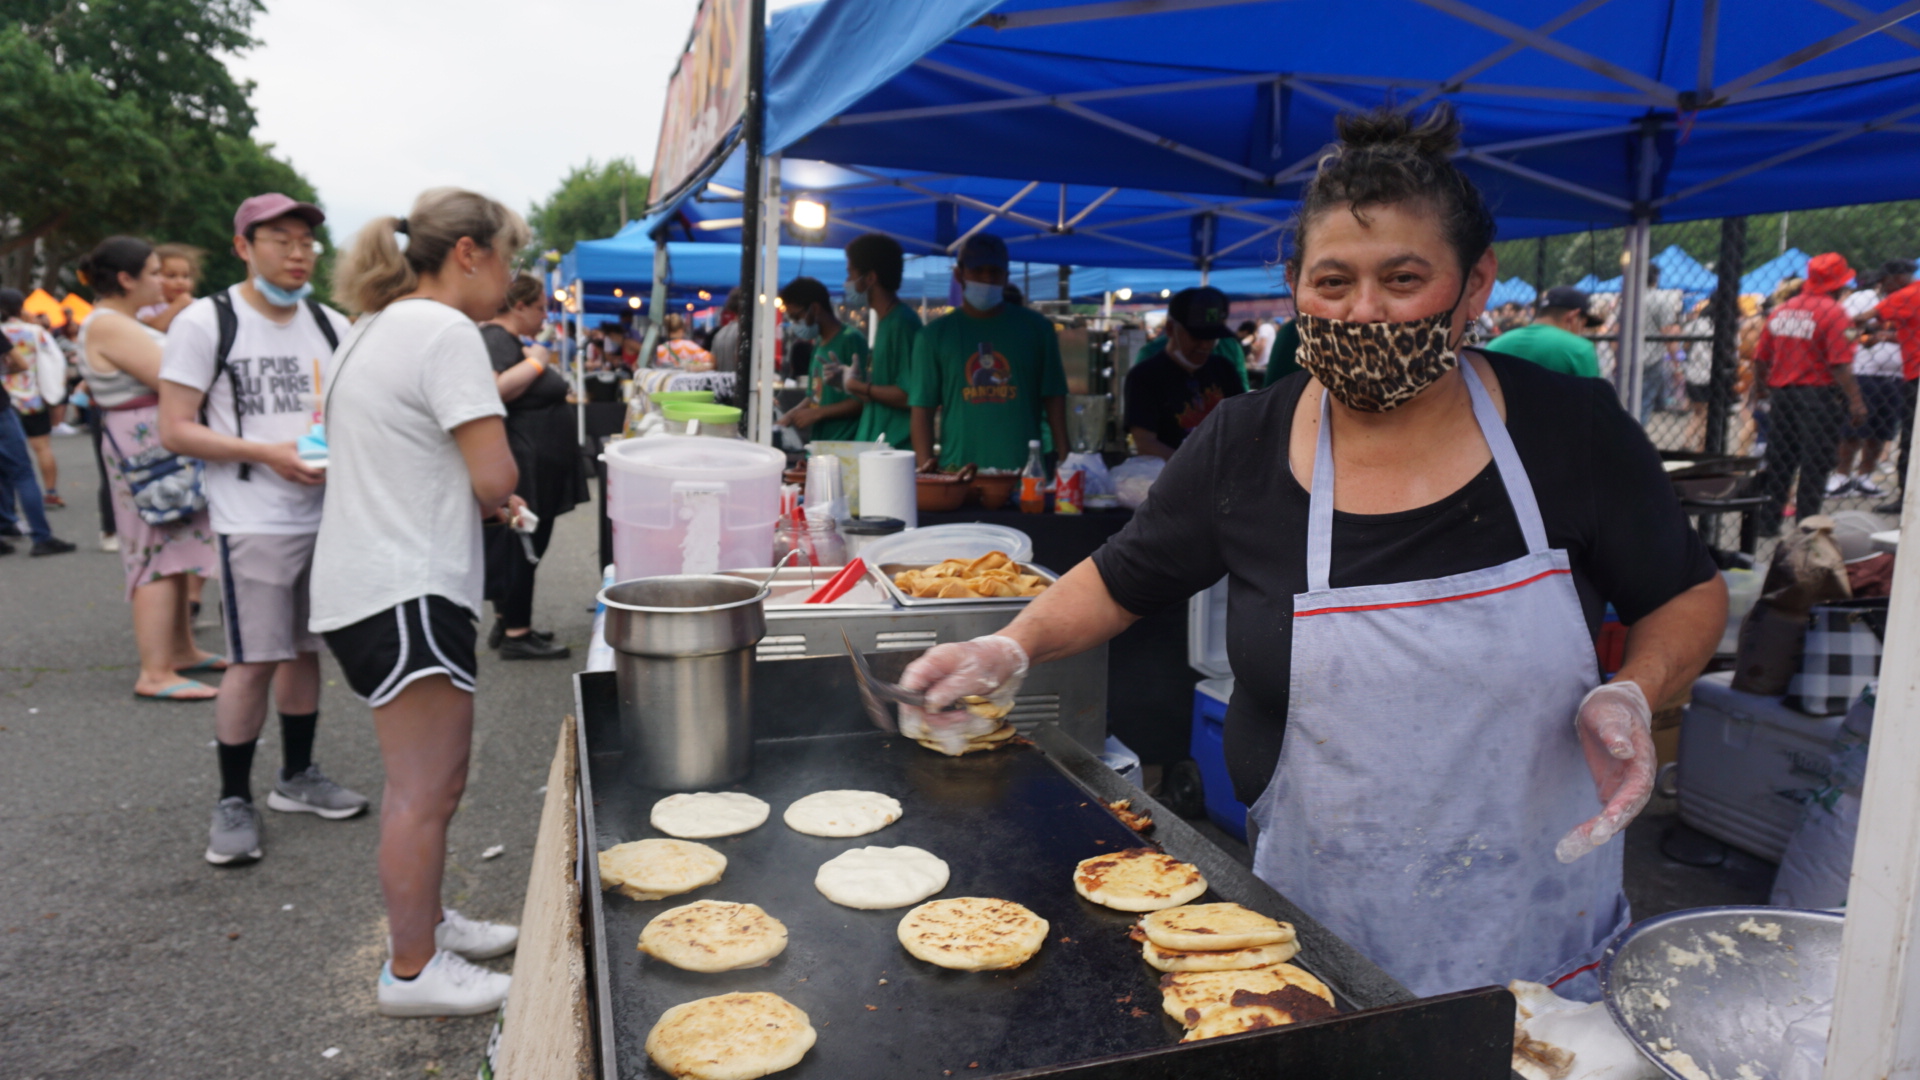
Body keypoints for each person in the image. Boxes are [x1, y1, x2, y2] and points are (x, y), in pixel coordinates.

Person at [897, 106, 1723, 1001]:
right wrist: (1007, 645)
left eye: (1403, 279)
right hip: (1307, 942)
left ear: (1476, 282)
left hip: (1536, 934)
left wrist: (1637, 691)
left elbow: (1684, 593)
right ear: (1295, 284)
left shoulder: (1571, 432)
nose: (1364, 312)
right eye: (1333, 283)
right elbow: (1125, 574)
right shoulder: (1245, 444)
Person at [311, 187, 525, 1017]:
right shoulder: (443, 329)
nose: (511, 276)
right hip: (405, 585)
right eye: (508, 255)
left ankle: (429, 923)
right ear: (469, 251)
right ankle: (410, 971)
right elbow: (494, 475)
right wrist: (498, 496)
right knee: (422, 790)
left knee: (432, 782)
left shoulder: (376, 326)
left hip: (372, 583)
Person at [158, 192, 370, 865]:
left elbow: (349, 411)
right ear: (243, 246)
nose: (297, 250)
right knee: (254, 659)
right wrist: (270, 455)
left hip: (325, 515)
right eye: (279, 238)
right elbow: (176, 427)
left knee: (305, 650)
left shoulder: (331, 323)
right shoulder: (204, 322)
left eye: (305, 239)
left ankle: (296, 778)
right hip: (253, 519)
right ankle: (232, 798)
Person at [76, 236, 220, 697]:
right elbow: (174, 375)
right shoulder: (108, 324)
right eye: (156, 272)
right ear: (126, 279)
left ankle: (180, 652)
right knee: (155, 551)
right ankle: (155, 671)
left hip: (152, 443)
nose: (164, 280)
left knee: (173, 548)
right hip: (143, 447)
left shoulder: (120, 320)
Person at [481, 272, 587, 661]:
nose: (546, 315)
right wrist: (539, 363)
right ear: (519, 306)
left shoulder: (507, 342)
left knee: (525, 544)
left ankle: (511, 619)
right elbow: (493, 390)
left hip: (536, 459)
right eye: (541, 307)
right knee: (525, 545)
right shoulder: (495, 338)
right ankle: (515, 631)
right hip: (527, 460)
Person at [910, 234, 1069, 471]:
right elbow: (922, 409)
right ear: (959, 274)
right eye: (978, 270)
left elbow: (1054, 399)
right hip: (958, 475)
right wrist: (926, 470)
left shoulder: (1038, 330)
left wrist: (1067, 461)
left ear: (1006, 277)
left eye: (994, 272)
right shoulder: (933, 336)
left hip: (1025, 476)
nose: (987, 278)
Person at [1752, 253, 1870, 536]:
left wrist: (1761, 388)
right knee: (1815, 461)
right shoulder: (1834, 312)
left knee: (1781, 459)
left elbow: (1760, 357)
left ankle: (1768, 524)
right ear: (1838, 283)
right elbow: (1840, 364)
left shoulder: (1783, 309)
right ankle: (1808, 527)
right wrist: (1856, 401)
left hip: (1782, 395)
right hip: (1818, 397)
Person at [1124, 286, 1246, 460]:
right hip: (1170, 480)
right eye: (1196, 337)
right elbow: (1145, 443)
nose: (1205, 345)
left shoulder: (1224, 369)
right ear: (1170, 329)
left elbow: (1244, 426)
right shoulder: (1144, 376)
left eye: (1211, 337)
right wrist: (1192, 469)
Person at [842, 233, 921, 450]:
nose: (847, 282)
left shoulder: (902, 324)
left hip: (894, 449)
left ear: (870, 278)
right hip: (877, 446)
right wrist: (849, 384)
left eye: (850, 274)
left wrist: (859, 386)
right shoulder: (886, 321)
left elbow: (909, 395)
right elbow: (885, 389)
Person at [2, 288, 72, 514]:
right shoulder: (34, 331)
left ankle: (8, 507)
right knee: (42, 448)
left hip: (4, 401)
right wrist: (53, 393)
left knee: (6, 457)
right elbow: (55, 360)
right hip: (33, 399)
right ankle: (51, 493)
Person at [776, 276, 866, 441]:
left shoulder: (850, 339)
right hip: (822, 443)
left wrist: (818, 413)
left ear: (815, 308)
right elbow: (814, 396)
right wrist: (791, 414)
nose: (795, 324)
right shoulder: (818, 343)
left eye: (797, 317)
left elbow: (861, 400)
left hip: (845, 444)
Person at [1874, 260, 1920, 512]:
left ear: (1899, 278)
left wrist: (1855, 327)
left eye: (1885, 280)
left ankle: (1905, 501)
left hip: (1916, 377)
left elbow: (1869, 316)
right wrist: (1884, 336)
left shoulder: (1906, 294)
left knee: (1910, 442)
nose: (1883, 286)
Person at [1486, 286, 1602, 378]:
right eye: (1583, 324)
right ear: (1573, 316)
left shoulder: (1495, 345)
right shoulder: (1579, 349)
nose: (1582, 331)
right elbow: (1594, 403)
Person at [139, 243, 204, 334]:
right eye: (171, 276)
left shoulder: (199, 305)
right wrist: (177, 305)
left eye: (185, 276)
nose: (180, 282)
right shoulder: (147, 305)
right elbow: (154, 328)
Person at [707, 287, 746, 374]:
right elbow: (742, 362)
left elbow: (713, 364)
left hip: (721, 385)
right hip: (740, 385)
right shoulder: (745, 334)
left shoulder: (719, 334)